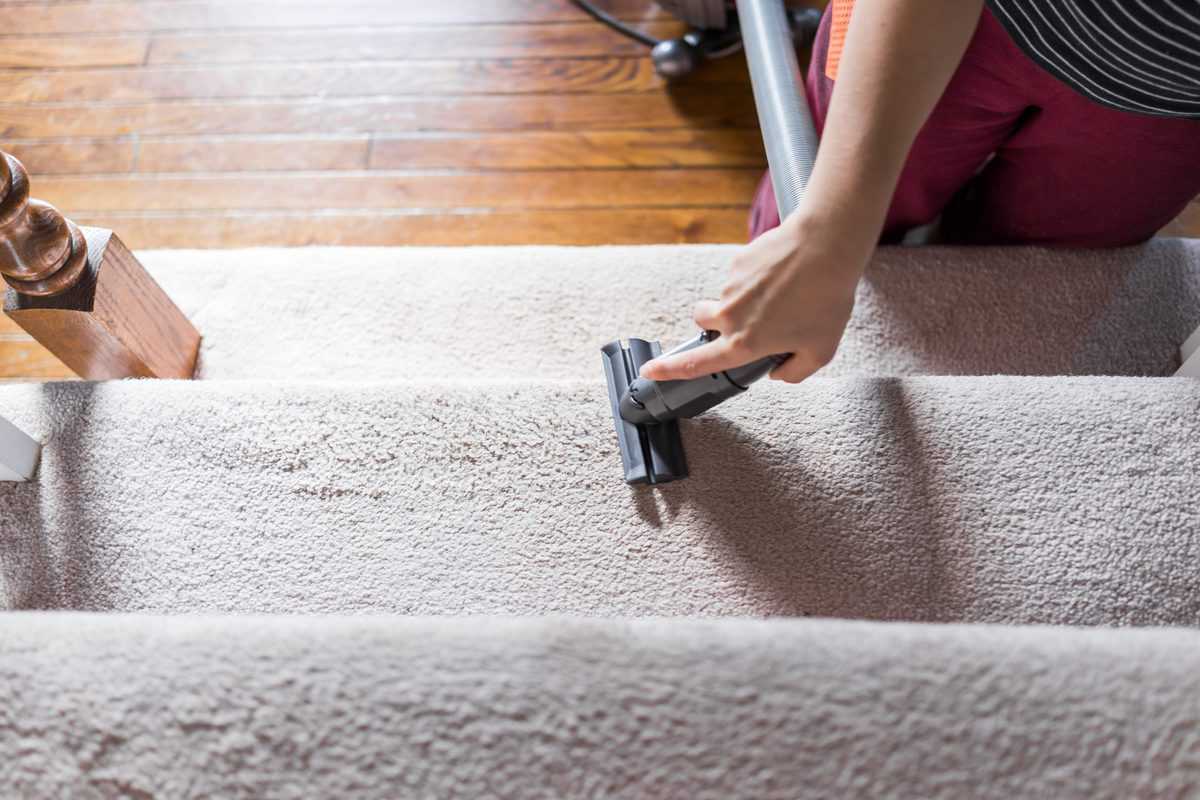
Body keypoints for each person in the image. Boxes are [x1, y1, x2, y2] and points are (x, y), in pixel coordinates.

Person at [641, 0, 1200, 385]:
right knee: (809, 214)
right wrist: (827, 235)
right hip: (942, 21)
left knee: (1029, 279)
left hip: (1172, 102)